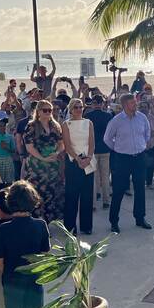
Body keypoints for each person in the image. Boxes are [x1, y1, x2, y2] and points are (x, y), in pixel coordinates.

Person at [104, 94, 152, 233]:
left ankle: (140, 218)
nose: (135, 105)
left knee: (140, 189)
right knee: (119, 190)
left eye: (135, 102)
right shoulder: (116, 121)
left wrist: (141, 145)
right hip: (122, 159)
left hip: (139, 158)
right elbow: (107, 138)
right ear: (125, 105)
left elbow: (147, 134)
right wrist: (118, 149)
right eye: (132, 103)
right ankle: (114, 221)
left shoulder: (142, 118)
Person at [22, 101, 65, 224]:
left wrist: (56, 153)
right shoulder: (31, 126)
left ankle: (49, 222)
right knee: (37, 195)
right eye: (45, 110)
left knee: (52, 195)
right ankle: (38, 223)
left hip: (52, 167)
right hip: (36, 167)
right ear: (38, 111)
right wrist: (43, 158)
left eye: (50, 110)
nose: (48, 113)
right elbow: (29, 147)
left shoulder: (55, 126)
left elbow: (61, 144)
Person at [62, 99, 96, 234]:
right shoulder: (66, 124)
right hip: (73, 162)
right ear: (70, 109)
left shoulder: (89, 123)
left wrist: (88, 158)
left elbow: (92, 143)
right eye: (75, 107)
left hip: (88, 161)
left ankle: (86, 226)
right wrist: (78, 159)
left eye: (80, 107)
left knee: (87, 196)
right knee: (72, 196)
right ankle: (70, 227)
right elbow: (67, 145)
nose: (78, 109)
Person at [85, 95, 112, 209]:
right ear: (102, 104)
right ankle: (106, 201)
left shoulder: (87, 116)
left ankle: (94, 203)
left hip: (92, 150)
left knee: (94, 178)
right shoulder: (108, 116)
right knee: (105, 177)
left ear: (93, 104)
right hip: (105, 149)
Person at [0, 117, 17, 193]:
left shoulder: (10, 137)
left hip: (8, 160)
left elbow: (13, 151)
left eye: (4, 125)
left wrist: (6, 147)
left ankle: (8, 198)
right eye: (0, 126)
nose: (2, 127)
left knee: (9, 182)